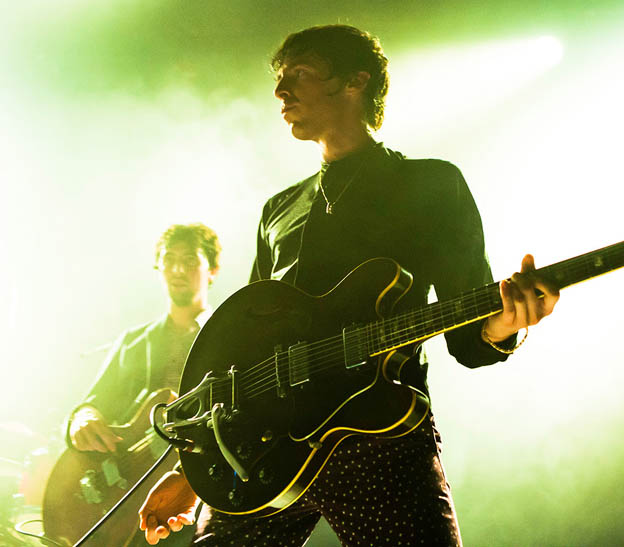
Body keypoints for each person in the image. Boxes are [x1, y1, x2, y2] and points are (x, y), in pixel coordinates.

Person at [139, 25, 559, 546]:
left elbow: (468, 339)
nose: (281, 92)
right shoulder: (278, 210)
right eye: (280, 77)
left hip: (377, 435)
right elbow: (239, 353)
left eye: (300, 74)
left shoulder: (431, 184)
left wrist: (504, 324)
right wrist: (199, 469)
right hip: (271, 453)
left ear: (356, 81)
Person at [65, 223, 221, 545]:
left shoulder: (226, 337)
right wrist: (83, 418)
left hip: (190, 498)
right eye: (169, 259)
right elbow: (91, 403)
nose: (178, 269)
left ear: (212, 270)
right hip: (121, 493)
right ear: (158, 267)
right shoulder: (133, 342)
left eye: (190, 260)